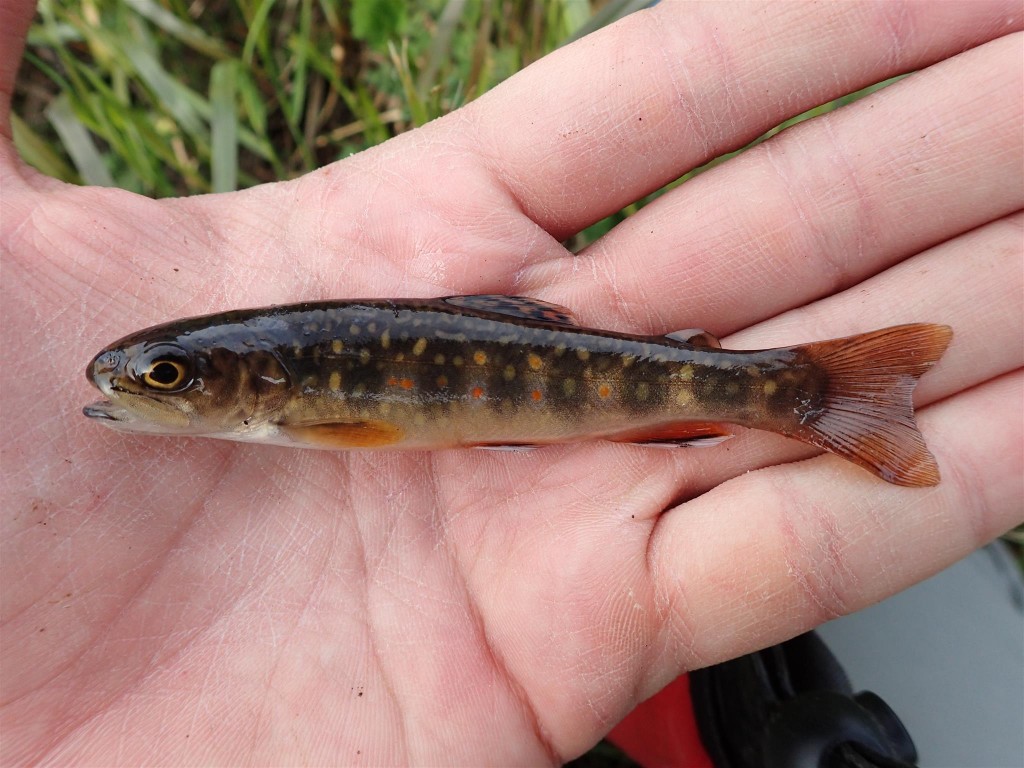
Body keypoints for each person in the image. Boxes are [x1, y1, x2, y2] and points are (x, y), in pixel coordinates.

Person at [2, 1, 1021, 764]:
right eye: (162, 377)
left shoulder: (305, 397)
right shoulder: (288, 391)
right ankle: (806, 395)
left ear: (252, 380)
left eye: (168, 376)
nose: (153, 389)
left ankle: (804, 392)